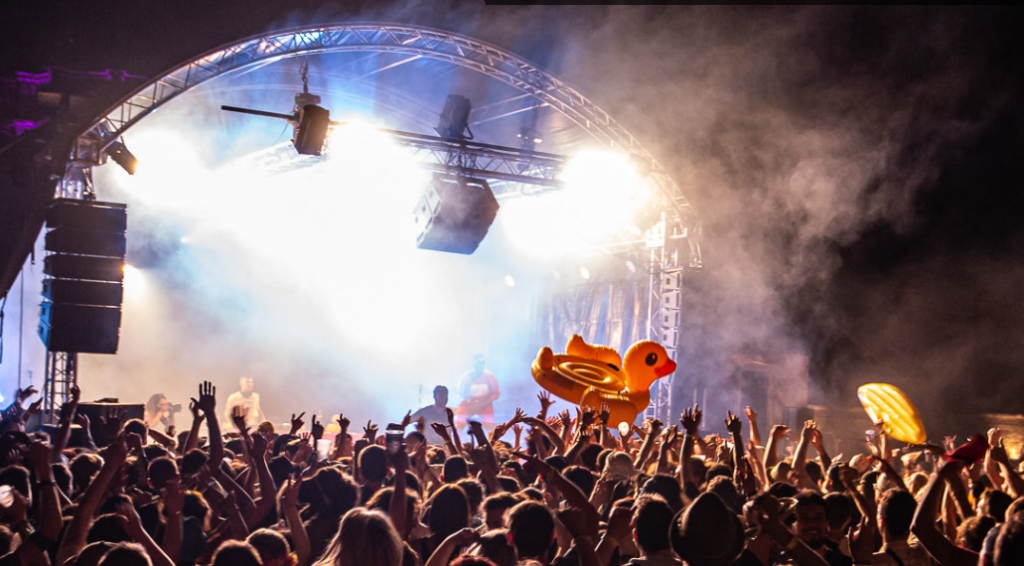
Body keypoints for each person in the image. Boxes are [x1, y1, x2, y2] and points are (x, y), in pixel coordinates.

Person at [454, 354, 499, 428]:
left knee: (491, 427)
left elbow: (495, 394)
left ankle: (492, 438)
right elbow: (461, 392)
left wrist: (483, 404)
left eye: (482, 363)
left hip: (485, 405)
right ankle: (455, 436)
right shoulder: (466, 377)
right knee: (459, 422)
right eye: (478, 363)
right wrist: (471, 402)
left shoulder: (490, 377)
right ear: (474, 364)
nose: (480, 365)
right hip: (469, 405)